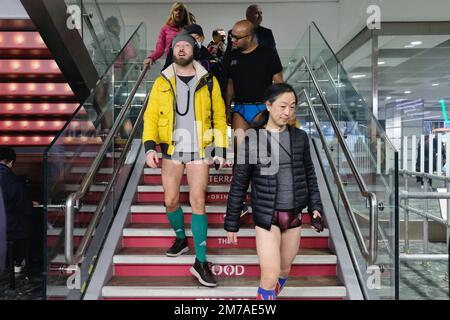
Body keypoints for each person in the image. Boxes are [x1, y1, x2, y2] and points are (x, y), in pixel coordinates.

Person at [224, 84, 324, 300]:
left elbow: (310, 175)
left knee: (284, 270)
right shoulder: (252, 140)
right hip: (267, 216)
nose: (287, 112)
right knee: (269, 277)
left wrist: (315, 207)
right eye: (282, 106)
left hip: (294, 215)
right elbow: (239, 184)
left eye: (292, 107)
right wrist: (231, 222)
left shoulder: (300, 138)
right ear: (268, 105)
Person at [142, 34, 228, 287]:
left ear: (194, 50)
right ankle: (181, 238)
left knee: (198, 201)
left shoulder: (208, 80)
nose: (181, 49)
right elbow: (150, 117)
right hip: (170, 148)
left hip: (199, 149)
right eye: (177, 45)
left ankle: (200, 262)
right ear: (172, 50)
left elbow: (220, 117)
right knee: (170, 200)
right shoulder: (161, 81)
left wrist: (220, 148)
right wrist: (149, 147)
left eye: (186, 45)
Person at [223, 19, 283, 216]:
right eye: (232, 36)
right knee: (241, 158)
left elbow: (279, 83)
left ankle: (268, 202)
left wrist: (279, 110)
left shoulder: (268, 54)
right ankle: (239, 205)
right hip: (240, 108)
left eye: (237, 38)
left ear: (249, 37)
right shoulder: (231, 56)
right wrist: (226, 108)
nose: (233, 40)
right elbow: (230, 85)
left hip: (261, 109)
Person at [0, 147, 33, 274]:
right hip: (9, 229)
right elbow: (26, 209)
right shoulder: (14, 181)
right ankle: (18, 262)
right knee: (28, 224)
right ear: (11, 162)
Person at [144, 2, 191, 67]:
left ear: (184, 14)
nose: (178, 12)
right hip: (171, 63)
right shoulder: (165, 29)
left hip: (187, 64)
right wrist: (151, 58)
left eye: (181, 10)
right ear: (172, 13)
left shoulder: (190, 29)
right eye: (176, 10)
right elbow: (159, 48)